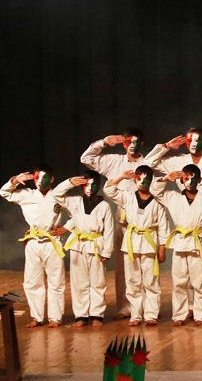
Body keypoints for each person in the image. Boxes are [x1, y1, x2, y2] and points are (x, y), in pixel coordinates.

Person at [80, 128, 146, 320]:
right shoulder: (114, 161)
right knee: (124, 267)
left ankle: (148, 307)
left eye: (136, 142)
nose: (132, 145)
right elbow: (86, 159)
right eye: (128, 142)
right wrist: (103, 142)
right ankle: (126, 306)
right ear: (124, 143)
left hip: (144, 217)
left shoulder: (147, 162)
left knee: (146, 266)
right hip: (123, 216)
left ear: (141, 143)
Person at [0, 165, 66, 328]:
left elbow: (77, 211)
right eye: (36, 177)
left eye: (44, 177)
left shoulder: (59, 195)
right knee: (32, 281)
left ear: (51, 179)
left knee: (56, 281)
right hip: (33, 241)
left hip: (52, 241)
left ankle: (55, 317)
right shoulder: (26, 195)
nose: (39, 181)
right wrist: (15, 180)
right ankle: (37, 316)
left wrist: (66, 227)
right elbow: (4, 192)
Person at [104, 166, 169, 326]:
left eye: (145, 179)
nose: (141, 182)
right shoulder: (127, 197)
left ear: (151, 181)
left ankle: (151, 314)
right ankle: (135, 314)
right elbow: (109, 190)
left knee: (151, 280)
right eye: (139, 179)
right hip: (131, 242)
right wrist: (121, 176)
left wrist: (162, 247)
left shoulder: (158, 201)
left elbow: (163, 225)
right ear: (134, 180)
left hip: (149, 242)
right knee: (132, 280)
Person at [151, 165, 202, 326]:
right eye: (187, 178)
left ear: (199, 180)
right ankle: (179, 315)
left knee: (199, 281)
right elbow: (154, 190)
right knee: (179, 281)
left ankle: (201, 315)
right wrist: (167, 177)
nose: (190, 181)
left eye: (194, 178)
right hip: (180, 243)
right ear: (182, 179)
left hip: (197, 243)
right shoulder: (173, 197)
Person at [52, 171, 114, 327]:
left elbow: (109, 230)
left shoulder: (104, 206)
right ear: (81, 186)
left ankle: (97, 315)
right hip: (78, 245)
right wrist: (69, 182)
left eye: (93, 185)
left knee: (97, 282)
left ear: (99, 187)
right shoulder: (75, 201)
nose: (90, 188)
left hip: (96, 245)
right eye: (86, 184)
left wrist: (107, 251)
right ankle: (81, 315)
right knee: (79, 282)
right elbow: (57, 195)